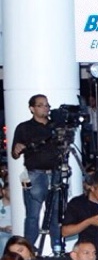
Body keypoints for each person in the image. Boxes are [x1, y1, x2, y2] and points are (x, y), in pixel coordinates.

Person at [10, 94, 59, 243]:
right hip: (35, 175)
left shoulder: (56, 126)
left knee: (56, 214)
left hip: (55, 174)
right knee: (33, 215)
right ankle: (29, 249)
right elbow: (14, 154)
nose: (45, 108)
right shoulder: (24, 127)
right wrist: (17, 148)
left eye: (47, 105)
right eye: (41, 105)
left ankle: (57, 248)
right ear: (32, 108)